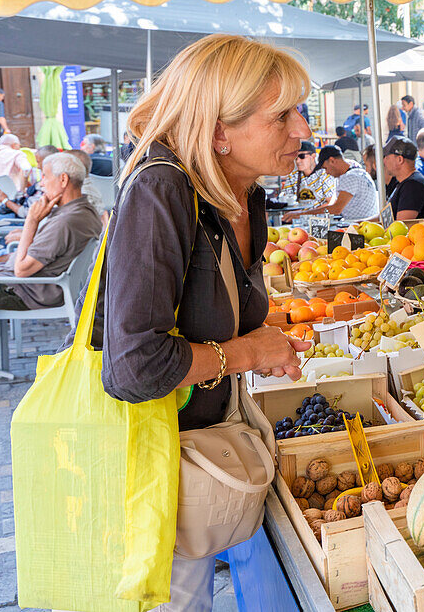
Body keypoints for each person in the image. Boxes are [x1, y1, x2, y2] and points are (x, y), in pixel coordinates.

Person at [68, 35, 310, 608]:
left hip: (193, 464)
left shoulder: (242, 194)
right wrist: (249, 353)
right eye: (282, 116)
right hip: (148, 477)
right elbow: (135, 368)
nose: (302, 131)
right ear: (219, 131)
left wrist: (256, 347)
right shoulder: (162, 189)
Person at [0, 152, 100, 308]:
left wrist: (32, 221)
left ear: (63, 179)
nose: (41, 183)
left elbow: (21, 271)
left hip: (26, 290)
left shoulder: (66, 222)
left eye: (44, 176)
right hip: (33, 286)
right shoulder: (85, 210)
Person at [286, 145, 379, 222]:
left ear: (332, 161)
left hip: (359, 225)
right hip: (361, 222)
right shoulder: (354, 170)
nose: (326, 172)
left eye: (325, 168)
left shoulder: (350, 177)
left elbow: (336, 209)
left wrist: (301, 214)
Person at [383, 137, 424, 221]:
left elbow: (402, 225)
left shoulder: (413, 186)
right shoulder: (405, 182)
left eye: (386, 157)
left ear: (399, 159)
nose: (384, 161)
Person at [280, 140, 335, 206]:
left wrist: (308, 213)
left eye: (302, 156)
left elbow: (331, 202)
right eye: (295, 158)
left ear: (313, 156)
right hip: (297, 215)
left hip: (318, 215)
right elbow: (286, 200)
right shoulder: (293, 176)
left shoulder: (325, 174)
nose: (298, 161)